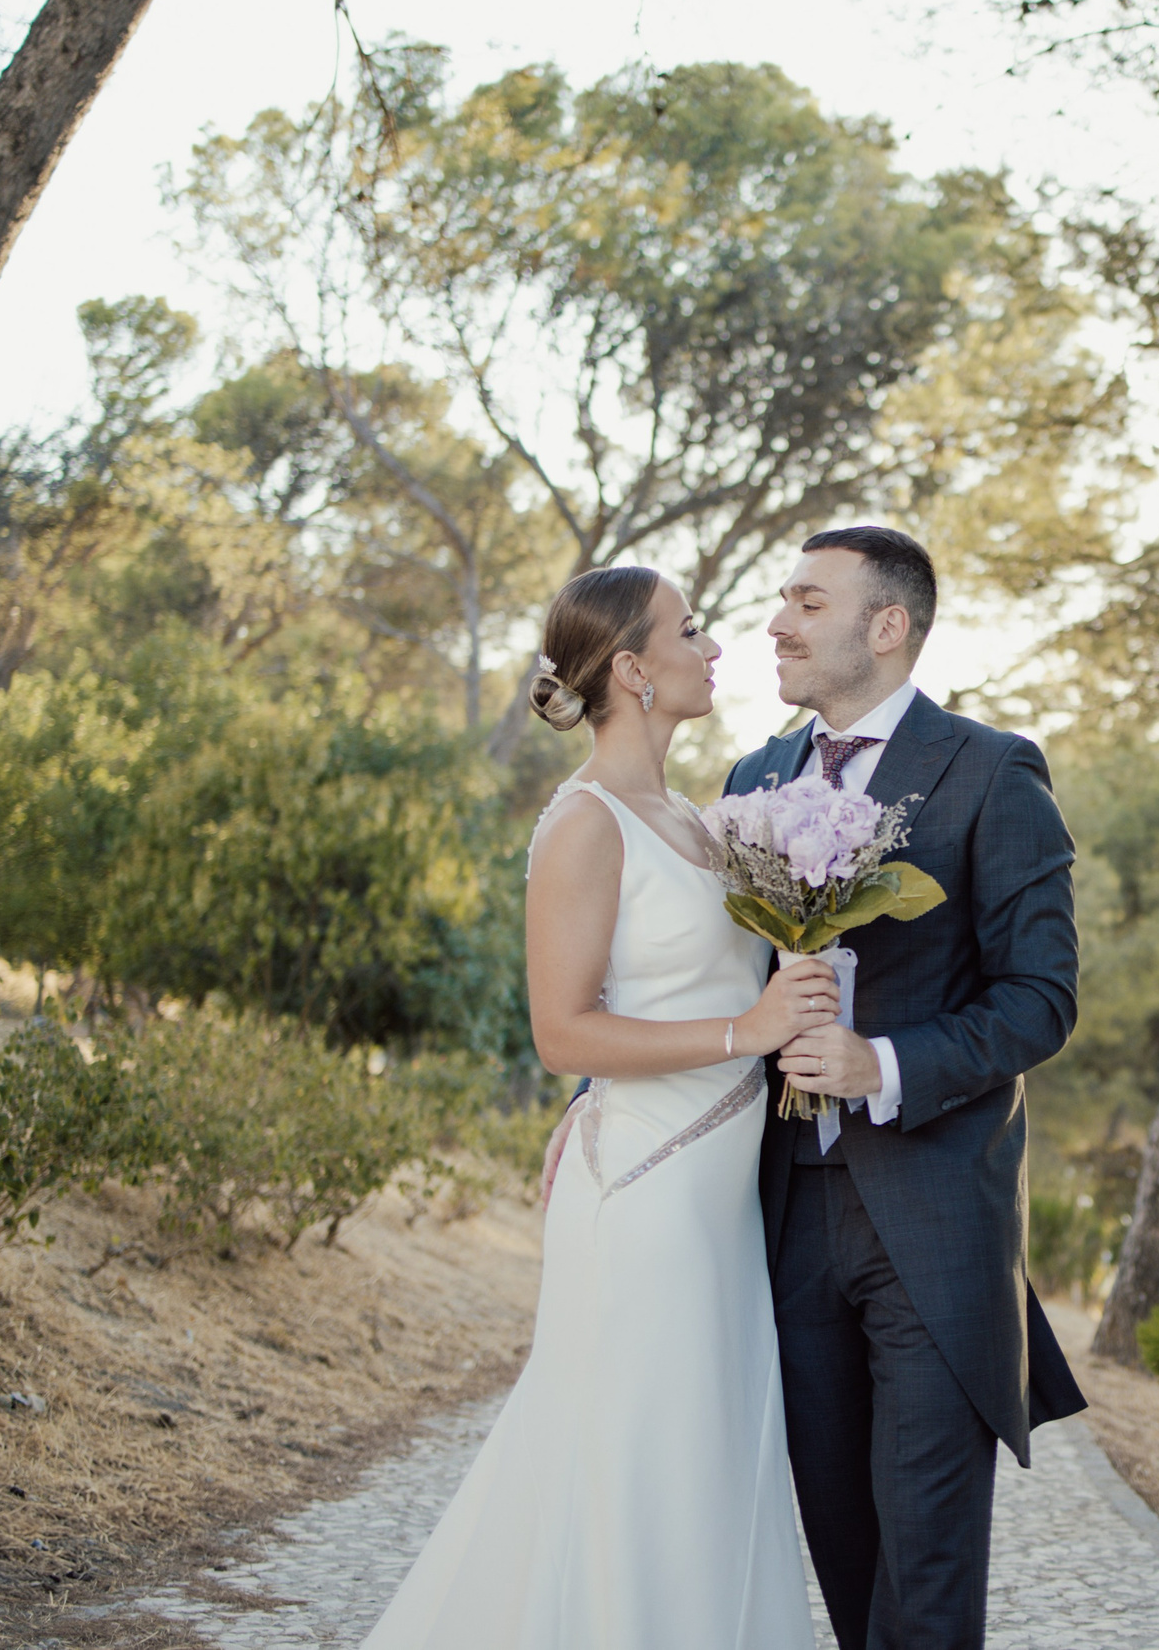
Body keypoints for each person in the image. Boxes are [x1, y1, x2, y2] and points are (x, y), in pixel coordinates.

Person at [540, 527, 1086, 1650]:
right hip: (772, 1224)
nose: (774, 623)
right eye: (778, 597)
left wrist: (882, 1064)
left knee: (925, 1567)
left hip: (928, 1226)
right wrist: (591, 1105)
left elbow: (1041, 999)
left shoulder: (990, 771)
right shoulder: (748, 782)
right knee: (839, 1549)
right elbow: (665, 976)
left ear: (886, 628)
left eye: (806, 601)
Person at [361, 564, 835, 1650]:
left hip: (721, 1205)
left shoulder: (701, 818)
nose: (716, 647)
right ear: (631, 668)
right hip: (645, 1198)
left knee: (709, 1465)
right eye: (690, 630)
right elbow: (562, 1030)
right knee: (634, 1468)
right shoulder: (582, 824)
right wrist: (745, 1036)